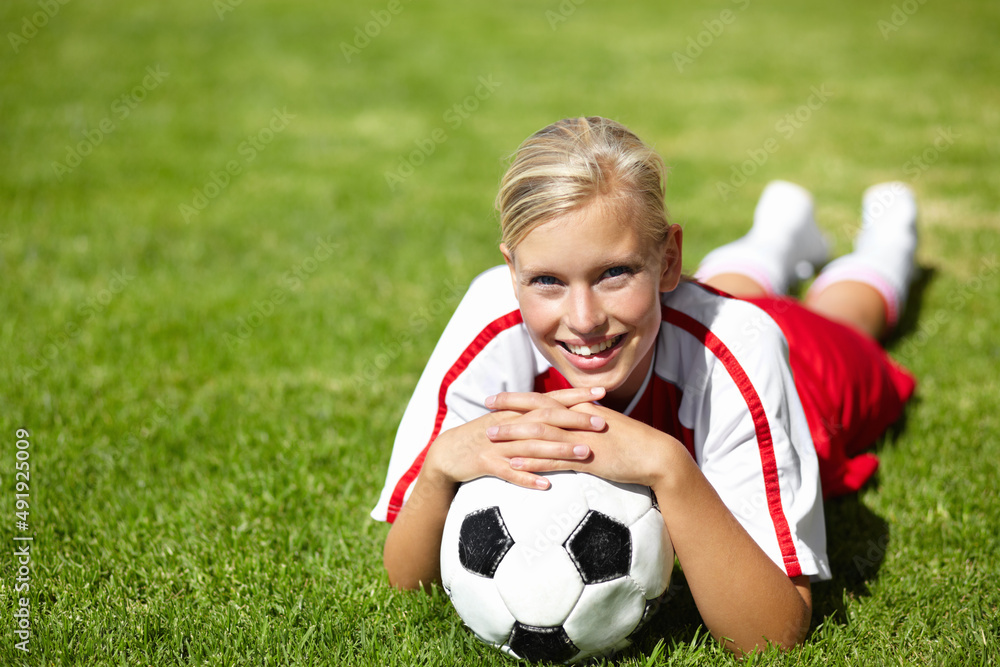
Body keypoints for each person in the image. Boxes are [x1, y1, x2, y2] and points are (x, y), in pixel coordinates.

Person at [372, 117, 917, 654]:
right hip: (676, 317)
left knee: (844, 318)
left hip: (805, 371)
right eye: (547, 281)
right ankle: (779, 230)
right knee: (714, 292)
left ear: (668, 259)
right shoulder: (493, 319)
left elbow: (773, 636)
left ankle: (887, 241)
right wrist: (442, 465)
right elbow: (406, 582)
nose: (583, 319)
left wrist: (668, 466)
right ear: (512, 271)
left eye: (615, 273)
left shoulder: (742, 348)